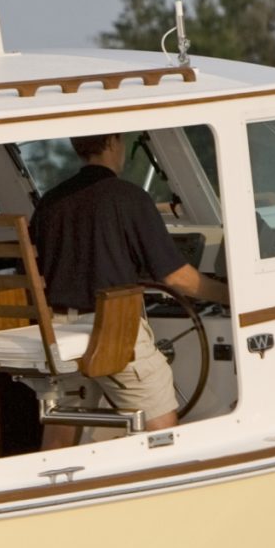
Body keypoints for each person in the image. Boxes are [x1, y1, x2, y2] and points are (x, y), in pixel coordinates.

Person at [28, 133, 228, 437]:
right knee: (160, 430)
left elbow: (38, 270)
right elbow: (177, 279)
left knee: (61, 433)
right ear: (112, 143)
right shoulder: (129, 197)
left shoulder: (51, 202)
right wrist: (230, 296)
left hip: (59, 336)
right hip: (113, 334)